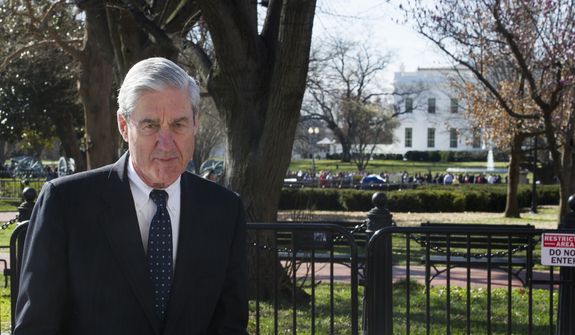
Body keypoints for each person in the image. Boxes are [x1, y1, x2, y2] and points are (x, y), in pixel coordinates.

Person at [14, 57, 248, 334]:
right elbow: (36, 327)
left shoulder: (224, 210)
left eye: (178, 125)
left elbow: (229, 326)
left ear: (196, 123)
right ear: (124, 126)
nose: (166, 142)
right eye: (150, 125)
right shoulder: (65, 204)